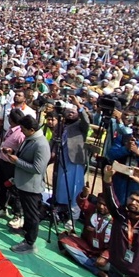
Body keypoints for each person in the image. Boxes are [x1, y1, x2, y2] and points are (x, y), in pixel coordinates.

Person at [5, 115, 51, 254]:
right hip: (23, 183)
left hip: (31, 187)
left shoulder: (41, 144)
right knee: (26, 212)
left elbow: (38, 168)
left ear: (32, 129)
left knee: (31, 215)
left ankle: (30, 242)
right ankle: (26, 232)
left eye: (24, 129)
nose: (22, 132)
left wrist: (17, 161)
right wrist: (13, 153)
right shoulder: (30, 139)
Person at [58, 188, 112, 277]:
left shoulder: (116, 220)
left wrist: (105, 256)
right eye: (99, 203)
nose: (101, 207)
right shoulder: (92, 210)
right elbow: (82, 203)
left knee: (110, 266)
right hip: (86, 247)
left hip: (102, 254)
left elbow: (117, 245)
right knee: (65, 240)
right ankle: (96, 271)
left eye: (105, 205)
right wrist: (84, 194)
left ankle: (79, 259)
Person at [53, 96, 91, 224]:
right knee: (61, 185)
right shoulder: (61, 124)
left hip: (74, 160)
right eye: (69, 111)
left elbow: (86, 120)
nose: (70, 113)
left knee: (74, 187)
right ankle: (61, 209)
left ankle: (73, 216)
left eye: (73, 112)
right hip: (61, 158)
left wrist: (78, 105)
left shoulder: (81, 125)